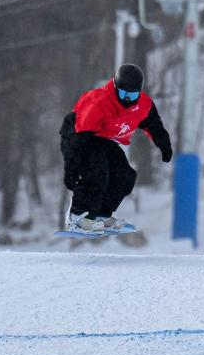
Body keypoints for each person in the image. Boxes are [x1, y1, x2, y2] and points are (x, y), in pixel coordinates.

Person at [60, 64, 172, 232]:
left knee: (125, 176)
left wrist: (164, 145)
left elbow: (154, 126)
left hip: (104, 139)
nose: (127, 99)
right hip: (79, 134)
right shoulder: (99, 102)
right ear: (114, 87)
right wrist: (71, 170)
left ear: (139, 92)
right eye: (123, 94)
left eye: (132, 94)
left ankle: (101, 214)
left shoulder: (143, 105)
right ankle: (78, 215)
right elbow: (80, 139)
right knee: (98, 171)